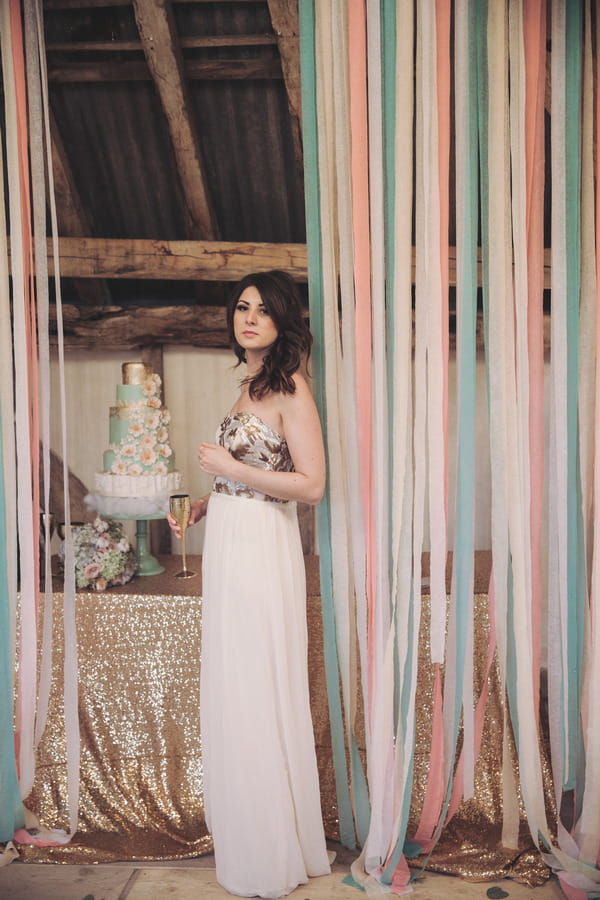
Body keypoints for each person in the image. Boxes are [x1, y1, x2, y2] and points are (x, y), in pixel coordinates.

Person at [168, 270, 332, 898]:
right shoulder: (249, 387)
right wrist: (211, 500)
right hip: (233, 538)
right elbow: (253, 476)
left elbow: (313, 486)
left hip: (264, 547)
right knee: (237, 682)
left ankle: (270, 853)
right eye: (242, 307)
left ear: (284, 320)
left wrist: (231, 466)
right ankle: (254, 835)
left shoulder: (291, 388)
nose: (249, 317)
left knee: (257, 682)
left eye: (263, 310)